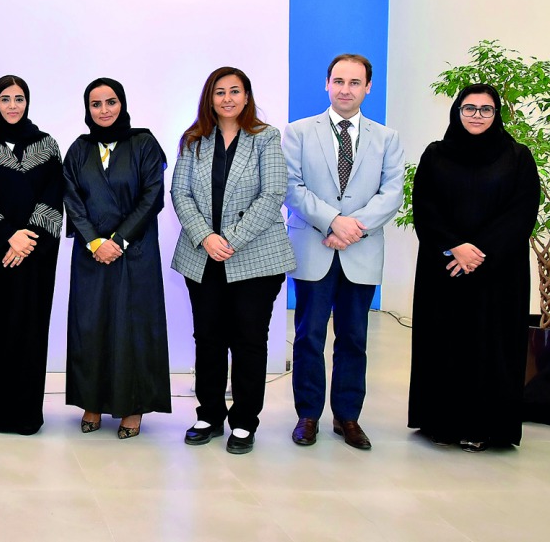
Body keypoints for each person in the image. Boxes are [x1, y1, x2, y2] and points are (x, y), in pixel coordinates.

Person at [170, 67, 295, 454]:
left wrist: (232, 241)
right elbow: (180, 193)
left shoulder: (265, 137)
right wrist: (206, 237)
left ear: (246, 96)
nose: (227, 98)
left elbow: (273, 192)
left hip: (255, 258)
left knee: (249, 341)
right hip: (202, 256)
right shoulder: (194, 141)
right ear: (209, 98)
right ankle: (208, 414)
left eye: (234, 91)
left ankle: (244, 422)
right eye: (219, 92)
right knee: (207, 339)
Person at [408, 84, 539, 452]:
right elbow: (425, 208)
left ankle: (488, 427)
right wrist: (455, 247)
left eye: (485, 109)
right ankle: (441, 424)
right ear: (456, 111)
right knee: (445, 344)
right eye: (469, 108)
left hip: (498, 274)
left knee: (491, 347)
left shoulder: (518, 157)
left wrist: (479, 252)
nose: (477, 115)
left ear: (497, 114)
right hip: (445, 270)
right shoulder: (435, 155)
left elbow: (522, 211)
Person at [283, 53, 404, 450]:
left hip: (361, 251)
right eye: (338, 81)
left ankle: (348, 417)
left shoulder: (387, 138)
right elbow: (292, 187)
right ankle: (308, 415)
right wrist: (334, 221)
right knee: (308, 337)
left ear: (368, 87)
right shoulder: (298, 132)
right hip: (314, 247)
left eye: (355, 83)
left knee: (354, 338)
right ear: (327, 84)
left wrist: (353, 229)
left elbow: (392, 194)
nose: (345, 89)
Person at [62, 77, 171, 439]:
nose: (104, 110)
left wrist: (119, 240)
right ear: (87, 109)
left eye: (111, 102)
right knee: (90, 327)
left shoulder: (143, 143)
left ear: (122, 104)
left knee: (133, 330)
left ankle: (133, 405)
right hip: (91, 255)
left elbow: (152, 197)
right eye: (96, 104)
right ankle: (92, 400)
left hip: (134, 253)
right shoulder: (78, 149)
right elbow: (72, 201)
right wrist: (95, 242)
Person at [0, 75, 64, 435]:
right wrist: (7, 238)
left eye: (19, 98)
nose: (12, 105)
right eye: (5, 99)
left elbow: (53, 199)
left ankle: (25, 414)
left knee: (31, 332)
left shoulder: (47, 146)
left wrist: (27, 240)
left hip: (34, 260)